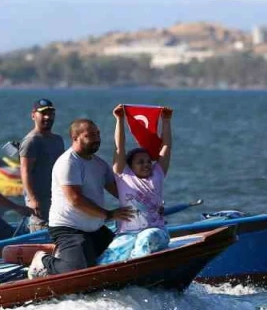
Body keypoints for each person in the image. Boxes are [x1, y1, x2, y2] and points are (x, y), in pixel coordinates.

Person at [47, 119, 135, 274]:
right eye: (90, 135)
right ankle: (43, 262)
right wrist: (109, 214)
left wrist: (149, 205)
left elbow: (120, 191)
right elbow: (75, 199)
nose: (96, 139)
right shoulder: (68, 163)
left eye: (98, 134)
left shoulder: (99, 164)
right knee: (80, 270)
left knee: (126, 254)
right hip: (68, 228)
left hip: (94, 228)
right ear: (75, 137)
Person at [112, 104, 174, 232]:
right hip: (127, 233)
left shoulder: (157, 173)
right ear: (130, 165)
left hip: (155, 231)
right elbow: (120, 147)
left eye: (148, 161)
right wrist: (120, 119)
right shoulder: (124, 174)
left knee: (146, 241)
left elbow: (166, 146)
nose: (146, 164)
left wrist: (166, 121)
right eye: (140, 162)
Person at [19, 98, 65, 232]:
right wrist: (33, 199)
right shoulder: (31, 141)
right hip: (39, 202)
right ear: (33, 115)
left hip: (56, 199)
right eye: (43, 113)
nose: (47, 117)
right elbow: (25, 172)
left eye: (51, 113)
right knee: (42, 236)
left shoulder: (58, 140)